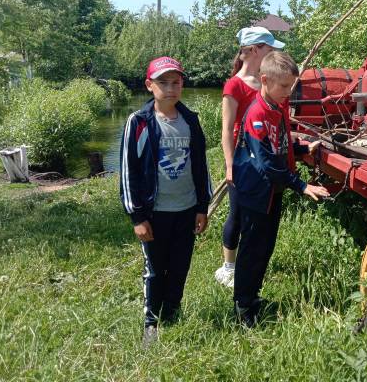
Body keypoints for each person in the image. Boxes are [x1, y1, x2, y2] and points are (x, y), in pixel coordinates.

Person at [119, 56, 213, 347]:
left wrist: (202, 206)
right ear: (149, 85)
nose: (170, 88)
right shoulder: (139, 123)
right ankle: (151, 321)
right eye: (163, 82)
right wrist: (137, 216)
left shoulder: (191, 120)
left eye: (176, 82)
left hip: (185, 209)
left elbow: (201, 165)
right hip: (154, 212)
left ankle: (172, 312)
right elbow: (128, 171)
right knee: (155, 267)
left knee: (180, 265)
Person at [232, 51, 329, 327]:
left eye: (292, 87)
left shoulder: (277, 107)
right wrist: (301, 185)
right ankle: (242, 306)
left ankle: (252, 297)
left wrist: (300, 149)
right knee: (252, 250)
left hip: (272, 193)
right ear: (265, 80)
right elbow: (266, 163)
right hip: (255, 194)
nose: (289, 92)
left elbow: (280, 147)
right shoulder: (258, 114)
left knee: (265, 248)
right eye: (285, 86)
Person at [214, 27, 285, 288]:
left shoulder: (267, 82)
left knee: (260, 213)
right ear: (255, 50)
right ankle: (229, 266)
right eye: (269, 48)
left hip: (265, 160)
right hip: (243, 161)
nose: (274, 52)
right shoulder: (235, 85)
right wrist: (230, 165)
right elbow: (226, 130)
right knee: (237, 213)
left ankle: (253, 261)